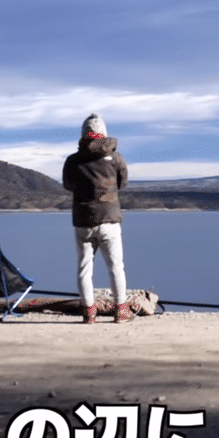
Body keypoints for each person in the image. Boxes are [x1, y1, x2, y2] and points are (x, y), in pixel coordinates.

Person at [62, 113, 132, 323]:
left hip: (83, 220)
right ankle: (121, 310)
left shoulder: (72, 160)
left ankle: (89, 312)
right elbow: (123, 182)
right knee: (116, 267)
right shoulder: (116, 158)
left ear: (83, 133)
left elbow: (68, 185)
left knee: (84, 268)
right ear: (104, 133)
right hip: (109, 218)